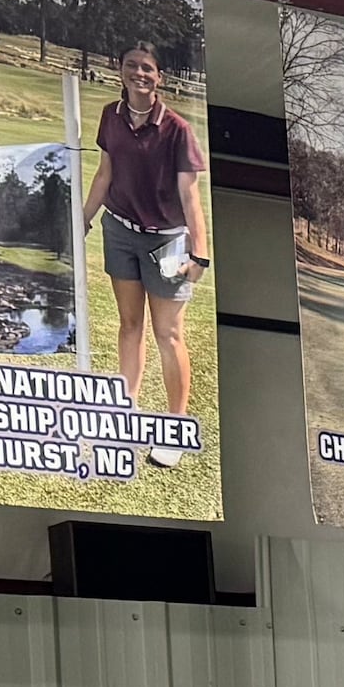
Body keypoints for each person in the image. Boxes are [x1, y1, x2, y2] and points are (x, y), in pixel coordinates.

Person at [77, 39, 207, 469]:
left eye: (147, 68)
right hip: (119, 231)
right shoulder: (110, 116)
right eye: (132, 65)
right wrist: (83, 220)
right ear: (121, 71)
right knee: (129, 325)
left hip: (167, 242)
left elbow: (190, 198)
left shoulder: (177, 129)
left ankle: (176, 428)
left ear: (159, 77)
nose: (139, 73)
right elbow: (105, 173)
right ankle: (125, 410)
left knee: (168, 334)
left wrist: (200, 255)